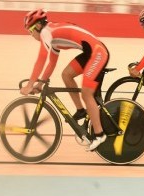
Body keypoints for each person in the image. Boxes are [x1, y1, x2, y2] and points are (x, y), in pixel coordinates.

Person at [20, 9, 108, 151]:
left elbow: (41, 59)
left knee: (86, 93)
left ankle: (99, 135)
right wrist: (41, 83)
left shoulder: (46, 33)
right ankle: (81, 111)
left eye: (30, 31)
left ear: (36, 26)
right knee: (66, 75)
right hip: (91, 52)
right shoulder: (51, 35)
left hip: (98, 53)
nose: (31, 35)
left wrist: (30, 84)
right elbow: (51, 63)